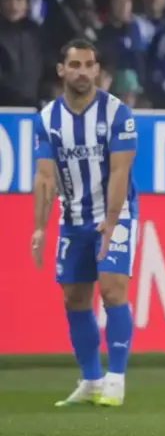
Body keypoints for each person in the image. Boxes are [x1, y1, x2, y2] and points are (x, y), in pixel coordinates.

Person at [31, 38, 139, 407]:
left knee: (112, 290)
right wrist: (39, 227)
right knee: (74, 297)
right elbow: (44, 177)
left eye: (89, 64)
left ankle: (116, 378)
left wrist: (110, 222)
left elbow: (120, 172)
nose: (82, 71)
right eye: (74, 65)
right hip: (73, 216)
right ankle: (91, 379)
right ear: (62, 70)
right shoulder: (47, 119)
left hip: (115, 213)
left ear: (97, 70)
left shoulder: (117, 113)